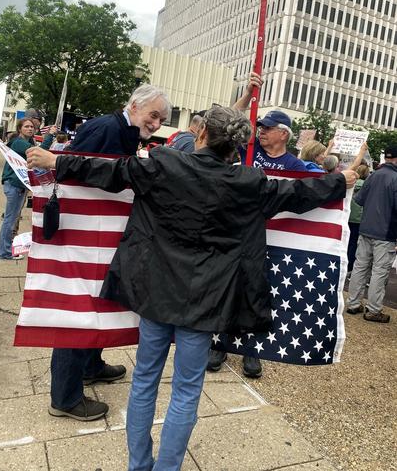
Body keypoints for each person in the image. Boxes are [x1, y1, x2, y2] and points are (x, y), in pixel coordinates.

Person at [27, 105, 356, 471]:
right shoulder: (248, 181)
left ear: (201, 135)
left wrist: (56, 161)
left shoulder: (164, 162)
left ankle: (140, 465)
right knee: (186, 389)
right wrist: (342, 180)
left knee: (145, 381)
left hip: (156, 293)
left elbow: (110, 171)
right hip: (206, 301)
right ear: (235, 147)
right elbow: (298, 194)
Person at [47, 83, 171, 423]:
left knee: (99, 301)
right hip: (85, 238)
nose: (157, 124)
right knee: (79, 308)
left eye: (161, 119)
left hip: (101, 236)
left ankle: (90, 364)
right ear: (134, 105)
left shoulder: (122, 130)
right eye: (153, 115)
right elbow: (75, 172)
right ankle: (65, 396)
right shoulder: (106, 128)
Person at [208, 76, 306, 379]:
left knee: (261, 293)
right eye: (259, 127)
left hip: (272, 239)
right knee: (227, 287)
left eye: (267, 128)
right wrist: (248, 94)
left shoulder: (297, 167)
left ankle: (252, 349)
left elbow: (310, 194)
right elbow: (227, 122)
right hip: (237, 233)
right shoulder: (248, 151)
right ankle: (219, 343)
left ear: (284, 134)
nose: (261, 131)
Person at [346, 144, 397, 323]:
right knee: (379, 271)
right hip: (386, 232)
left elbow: (359, 200)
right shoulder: (395, 178)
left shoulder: (373, 176)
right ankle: (374, 309)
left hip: (366, 228)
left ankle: (353, 303)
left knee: (360, 267)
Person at [0, 118, 55, 260]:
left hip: (18, 186)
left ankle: (5, 248)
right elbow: (40, 152)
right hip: (15, 185)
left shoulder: (26, 143)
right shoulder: (18, 143)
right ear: (20, 129)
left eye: (32, 127)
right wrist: (50, 135)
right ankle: (4, 252)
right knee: (10, 219)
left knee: (11, 218)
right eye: (26, 126)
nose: (30, 129)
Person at [347, 164, 370, 274]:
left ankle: (345, 263)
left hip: (348, 216)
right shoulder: (367, 185)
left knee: (347, 240)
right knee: (355, 243)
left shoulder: (350, 183)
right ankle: (351, 266)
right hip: (359, 218)